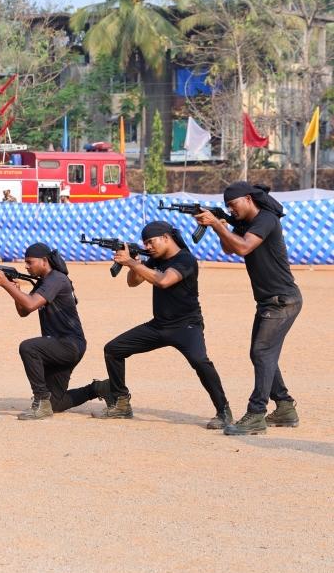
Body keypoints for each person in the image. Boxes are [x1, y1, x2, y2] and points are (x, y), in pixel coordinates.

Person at [93, 221, 232, 428]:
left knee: (200, 361)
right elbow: (134, 282)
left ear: (166, 238)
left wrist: (132, 263)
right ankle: (121, 403)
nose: (148, 246)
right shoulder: (154, 259)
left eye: (150, 242)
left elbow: (164, 281)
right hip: (159, 326)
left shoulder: (185, 259)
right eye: (144, 243)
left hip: (186, 326)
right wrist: (135, 261)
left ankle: (223, 412)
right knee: (113, 349)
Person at [194, 182, 303, 436]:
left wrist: (218, 223)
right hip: (269, 301)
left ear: (248, 199)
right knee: (261, 354)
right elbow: (230, 248)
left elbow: (243, 247)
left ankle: (256, 413)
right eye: (227, 207)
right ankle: (285, 407)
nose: (230, 210)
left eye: (232, 205)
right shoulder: (246, 224)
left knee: (262, 351)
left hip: (282, 301)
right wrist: (219, 225)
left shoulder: (266, 219)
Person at [0, 243, 108, 420]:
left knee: (29, 348)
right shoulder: (44, 282)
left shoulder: (56, 279)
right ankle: (98, 388)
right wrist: (15, 290)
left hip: (69, 344)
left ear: (44, 261)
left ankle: (41, 400)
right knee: (56, 404)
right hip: (59, 344)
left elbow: (30, 303)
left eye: (30, 262)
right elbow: (24, 311)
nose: (26, 266)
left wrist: (6, 283)